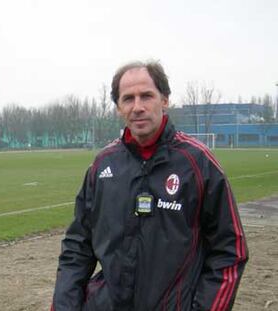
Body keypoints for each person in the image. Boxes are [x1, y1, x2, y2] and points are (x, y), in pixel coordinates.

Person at [51, 60, 248, 311]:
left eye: (146, 96)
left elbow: (230, 250)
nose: (138, 107)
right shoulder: (102, 165)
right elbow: (77, 248)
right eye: (128, 99)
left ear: (164, 100)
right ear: (118, 108)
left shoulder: (198, 163)